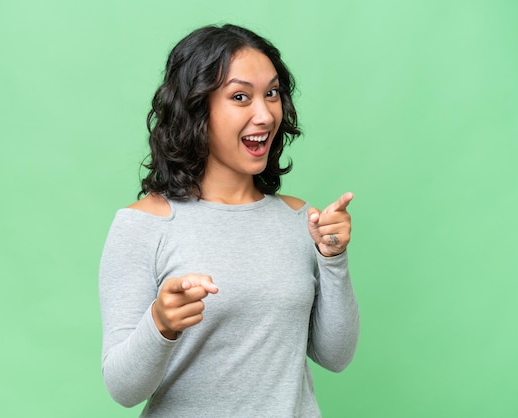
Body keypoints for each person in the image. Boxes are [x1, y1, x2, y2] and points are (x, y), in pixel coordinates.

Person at [99, 23, 360, 417]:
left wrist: (333, 259)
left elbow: (336, 355)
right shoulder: (143, 227)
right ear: (196, 107)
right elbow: (122, 388)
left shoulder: (299, 218)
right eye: (240, 96)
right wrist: (161, 323)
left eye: (271, 93)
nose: (265, 114)